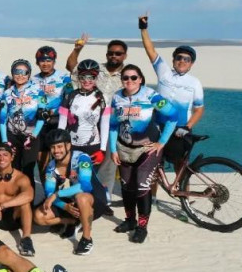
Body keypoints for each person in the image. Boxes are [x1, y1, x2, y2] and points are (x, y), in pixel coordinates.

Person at [109, 65, 177, 243]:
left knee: (141, 186)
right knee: (126, 187)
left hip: (147, 149)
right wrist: (113, 149)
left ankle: (142, 227)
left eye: (133, 77)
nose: (129, 81)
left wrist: (162, 142)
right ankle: (130, 221)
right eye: (125, 78)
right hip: (124, 149)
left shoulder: (150, 95)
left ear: (140, 79)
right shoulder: (116, 97)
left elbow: (173, 116)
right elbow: (113, 125)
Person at [66, 36, 128, 207]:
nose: (114, 56)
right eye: (111, 53)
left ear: (125, 55)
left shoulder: (127, 75)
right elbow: (71, 67)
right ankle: (78, 197)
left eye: (118, 53)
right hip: (86, 122)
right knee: (79, 162)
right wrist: (78, 48)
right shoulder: (95, 69)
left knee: (107, 162)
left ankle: (103, 199)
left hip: (111, 124)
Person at [138, 14, 205, 167]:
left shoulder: (195, 82)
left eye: (187, 59)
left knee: (181, 166)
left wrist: (187, 127)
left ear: (191, 64)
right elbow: (150, 50)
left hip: (180, 129)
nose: (182, 61)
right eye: (179, 57)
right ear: (174, 60)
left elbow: (199, 110)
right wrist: (143, 29)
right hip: (158, 126)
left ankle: (182, 190)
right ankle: (153, 192)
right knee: (154, 165)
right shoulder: (164, 72)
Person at [34, 129, 108, 256]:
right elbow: (49, 193)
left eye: (59, 146)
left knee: (81, 198)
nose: (56, 151)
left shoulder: (82, 158)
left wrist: (57, 195)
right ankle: (72, 222)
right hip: (70, 202)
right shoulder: (51, 167)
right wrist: (65, 207)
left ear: (68, 145)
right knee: (38, 216)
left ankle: (86, 239)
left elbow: (85, 186)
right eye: (52, 147)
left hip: (93, 199)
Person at [0, 59, 45, 186]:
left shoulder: (38, 91)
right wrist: (4, 140)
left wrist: (34, 135)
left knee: (28, 170)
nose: (20, 75)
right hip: (12, 137)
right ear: (12, 73)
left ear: (29, 74)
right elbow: (2, 119)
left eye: (24, 72)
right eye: (17, 71)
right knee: (13, 169)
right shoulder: (7, 93)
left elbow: (42, 117)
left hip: (31, 137)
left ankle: (28, 203)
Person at [32, 46, 72, 182]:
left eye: (49, 60)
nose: (45, 63)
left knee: (60, 159)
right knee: (41, 161)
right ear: (37, 62)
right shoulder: (33, 80)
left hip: (58, 122)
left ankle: (60, 193)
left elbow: (70, 97)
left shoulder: (64, 78)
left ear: (54, 61)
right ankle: (46, 192)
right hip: (40, 124)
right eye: (41, 60)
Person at [58, 59, 110, 163]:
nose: (87, 81)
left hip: (93, 146)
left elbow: (105, 125)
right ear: (78, 77)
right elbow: (62, 123)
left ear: (96, 78)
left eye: (91, 77)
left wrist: (103, 150)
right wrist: (60, 144)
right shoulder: (70, 96)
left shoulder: (103, 98)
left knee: (86, 178)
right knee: (72, 178)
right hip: (71, 145)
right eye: (83, 77)